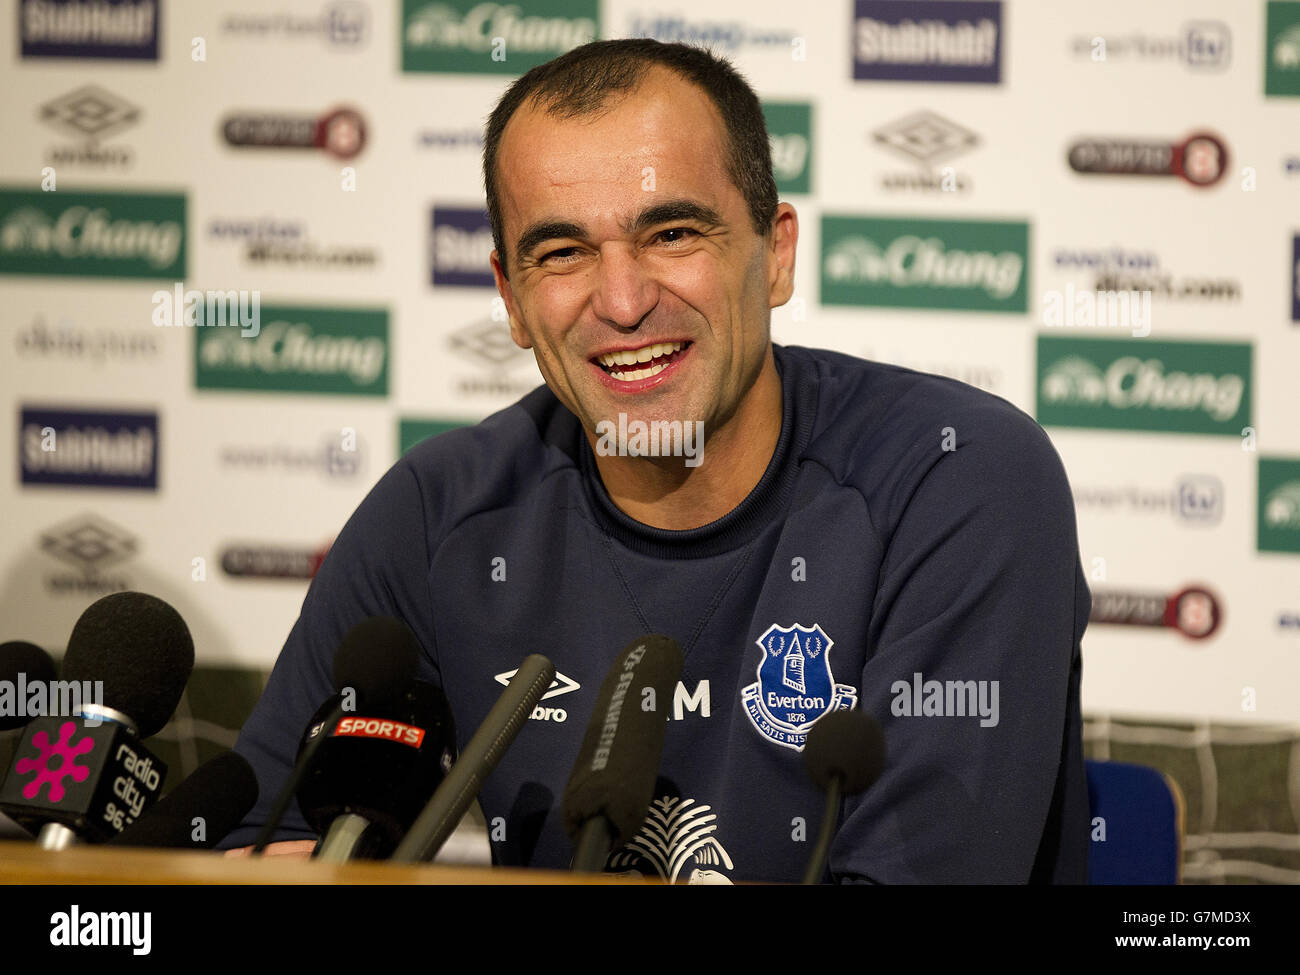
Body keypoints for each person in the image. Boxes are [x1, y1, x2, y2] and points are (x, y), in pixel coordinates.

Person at [220, 39, 1090, 883]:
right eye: (561, 253)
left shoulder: (959, 480)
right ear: (512, 300)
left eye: (672, 233)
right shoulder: (439, 510)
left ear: (776, 252)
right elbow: (271, 844)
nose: (625, 301)